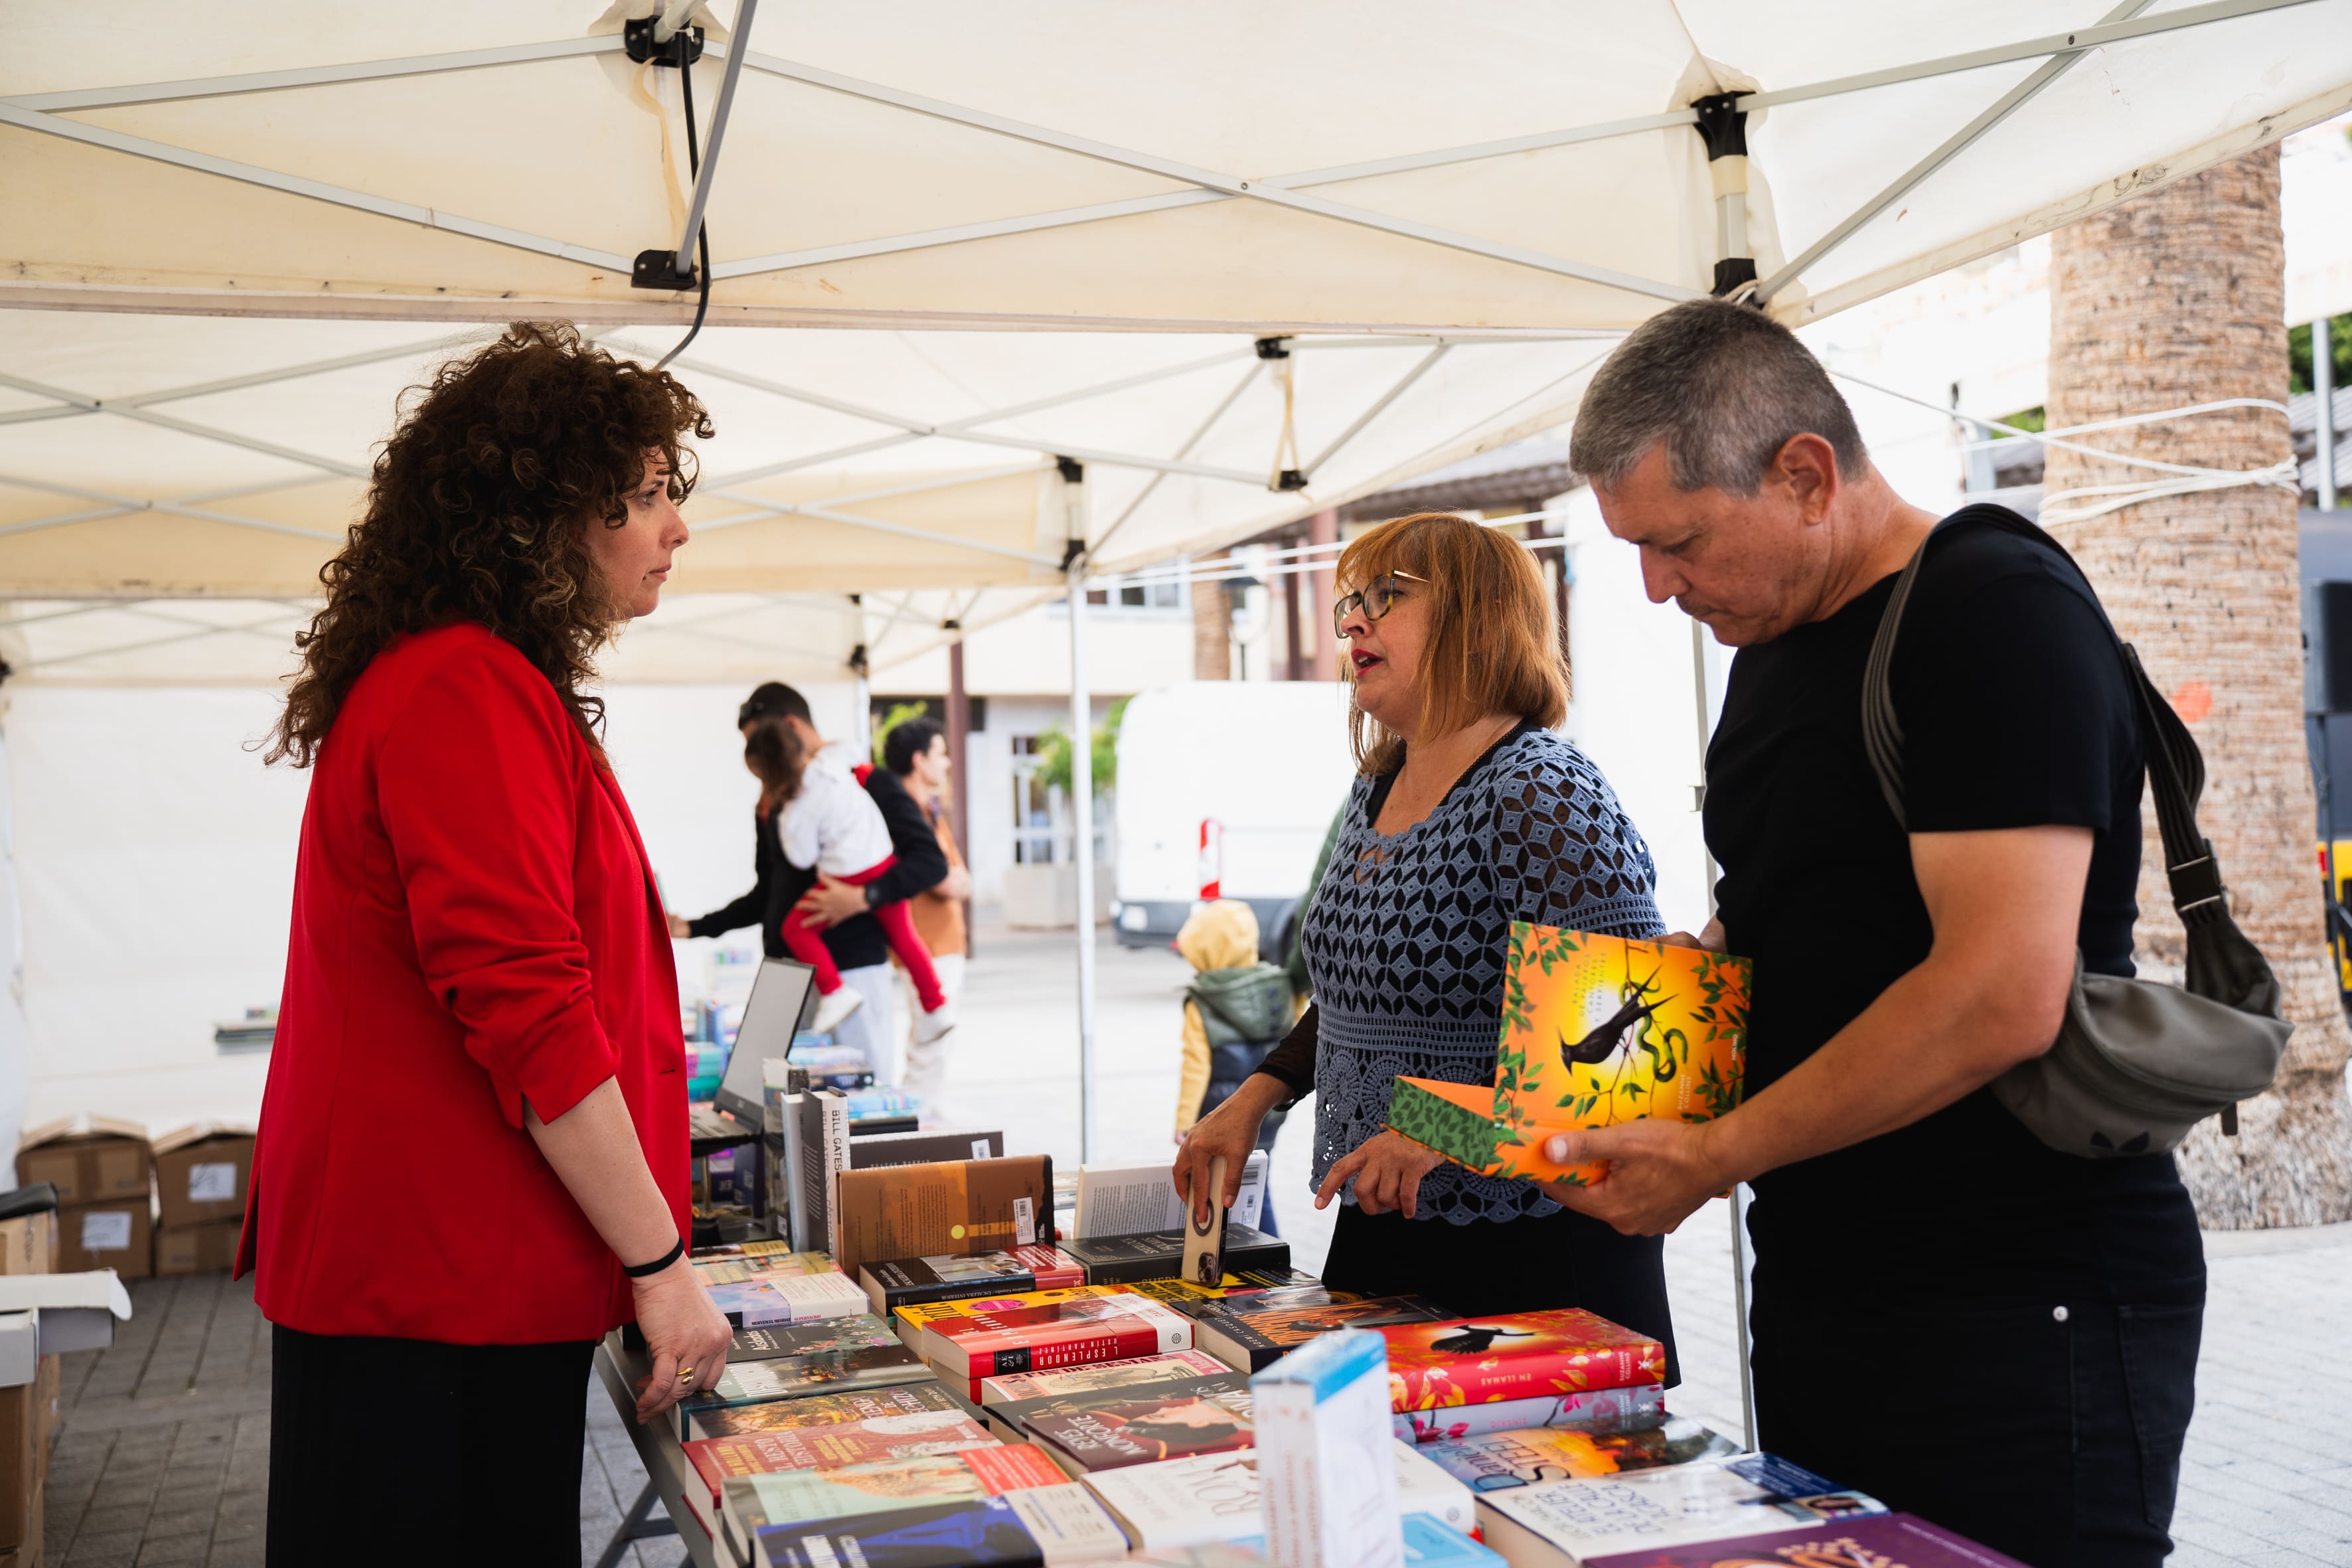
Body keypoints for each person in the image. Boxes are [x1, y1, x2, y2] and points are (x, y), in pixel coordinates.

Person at [1543, 297, 2202, 1568]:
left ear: (1802, 474)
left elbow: (1999, 989)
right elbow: (1785, 905)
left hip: (2016, 1303)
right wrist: (1587, 1076)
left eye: (1677, 541)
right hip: (1831, 1285)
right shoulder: (1774, 636)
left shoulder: (1991, 608)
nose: (1655, 586)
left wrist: (1717, 1152)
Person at [242, 324, 731, 1565]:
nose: (674, 527)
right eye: (646, 495)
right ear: (548, 514)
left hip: (444, 1279)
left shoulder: (470, 678)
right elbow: (529, 1008)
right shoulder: (462, 686)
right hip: (430, 1289)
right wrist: (660, 1261)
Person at [1171, 512, 1677, 1366]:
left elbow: (1631, 1068)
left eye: (1386, 597)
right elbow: (1359, 1001)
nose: (1353, 621)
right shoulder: (1377, 789)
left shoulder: (1544, 791)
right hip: (1389, 1233)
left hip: (1533, 1257)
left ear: (1476, 615)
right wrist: (1251, 1100)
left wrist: (1448, 1128)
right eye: (1349, 604)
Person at [674, 684, 948, 1085]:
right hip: (788, 976)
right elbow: (767, 894)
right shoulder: (777, 802)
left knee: (860, 1106)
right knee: (783, 1110)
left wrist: (863, 897)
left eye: (760, 743)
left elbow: (929, 862)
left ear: (790, 727)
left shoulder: (863, 779)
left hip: (853, 972)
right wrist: (693, 928)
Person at [743, 719, 955, 1041]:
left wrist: (784, 813)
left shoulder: (798, 806)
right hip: (882, 860)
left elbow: (802, 857)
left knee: (796, 928)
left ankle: (834, 992)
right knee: (905, 937)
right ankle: (936, 1005)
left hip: (847, 874)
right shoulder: (833, 761)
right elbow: (853, 750)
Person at [1172, 900, 1291, 1237]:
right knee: (1257, 1179)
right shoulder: (1278, 987)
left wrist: (1185, 1121)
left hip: (1220, 1111)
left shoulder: (1202, 999)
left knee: (1225, 1192)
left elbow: (1195, 1065)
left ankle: (1259, 1258)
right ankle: (1269, 1257)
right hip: (1270, 1108)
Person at [883, 716, 973, 1113]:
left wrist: (953, 879)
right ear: (919, 760)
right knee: (929, 1048)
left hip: (940, 946)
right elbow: (947, 881)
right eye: (941, 753)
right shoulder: (906, 815)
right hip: (928, 948)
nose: (948, 763)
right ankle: (917, 1130)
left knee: (935, 1047)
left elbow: (962, 879)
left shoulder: (928, 810)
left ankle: (922, 1125)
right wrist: (951, 879)